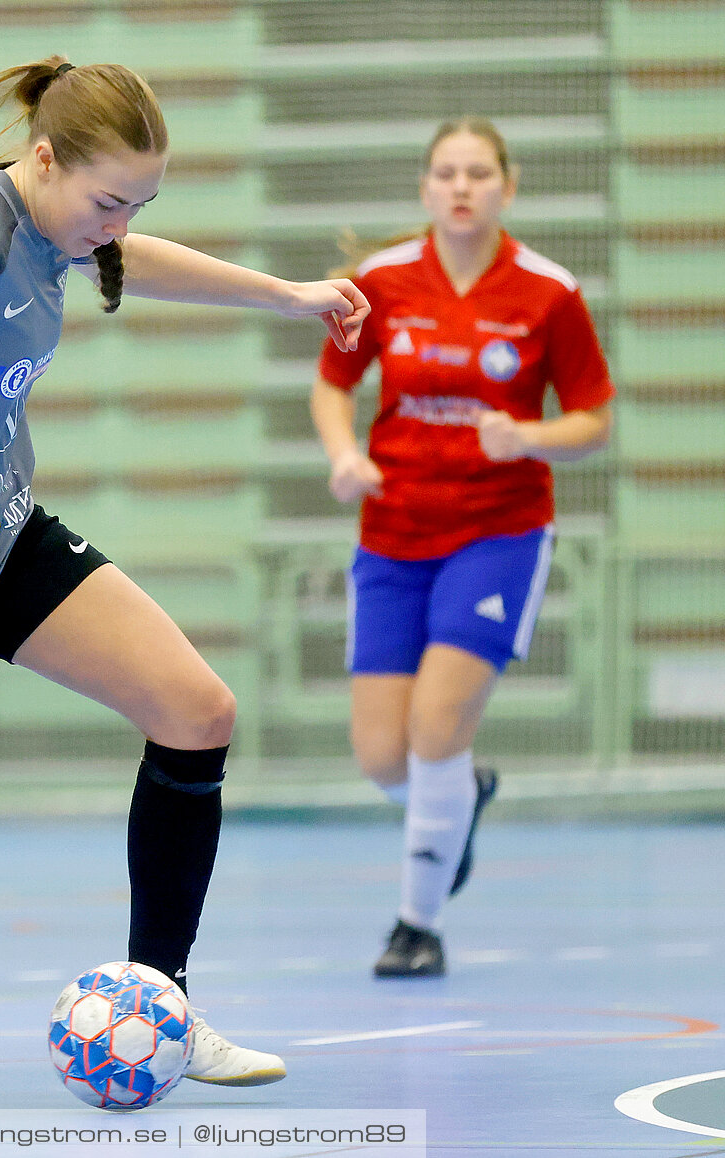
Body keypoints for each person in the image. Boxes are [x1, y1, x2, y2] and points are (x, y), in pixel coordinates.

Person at [0, 56, 369, 1096]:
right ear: (41, 160)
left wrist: (288, 297)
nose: (117, 224)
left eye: (137, 203)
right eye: (107, 201)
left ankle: (164, 1005)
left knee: (197, 710)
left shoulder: (64, 228)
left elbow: (134, 255)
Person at [310, 116, 613, 978]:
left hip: (499, 534)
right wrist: (345, 455)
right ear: (426, 188)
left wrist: (531, 438)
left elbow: (593, 420)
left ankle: (417, 926)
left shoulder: (549, 293)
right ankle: (464, 800)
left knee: (436, 733)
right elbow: (333, 386)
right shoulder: (381, 282)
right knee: (381, 757)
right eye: (446, 172)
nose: (462, 186)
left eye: (479, 172)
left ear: (506, 187)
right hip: (394, 532)